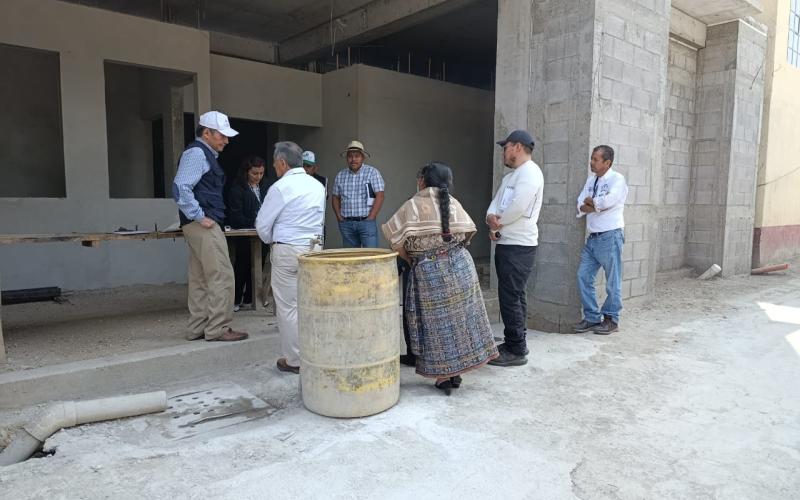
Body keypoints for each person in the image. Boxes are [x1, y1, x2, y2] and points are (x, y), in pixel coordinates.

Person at [382, 162, 498, 395]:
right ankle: (456, 372)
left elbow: (394, 240)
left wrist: (412, 258)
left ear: (423, 181)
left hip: (429, 271)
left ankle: (444, 375)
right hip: (461, 267)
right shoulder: (453, 203)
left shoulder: (413, 205)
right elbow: (468, 234)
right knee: (459, 323)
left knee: (435, 326)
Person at [172, 110, 249, 342]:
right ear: (206, 133)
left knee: (200, 278)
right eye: (222, 135)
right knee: (222, 275)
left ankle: (198, 327)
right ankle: (218, 328)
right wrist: (199, 215)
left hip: (196, 225)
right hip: (204, 225)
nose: (226, 140)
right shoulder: (197, 153)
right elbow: (180, 188)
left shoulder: (200, 153)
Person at [255, 141, 325, 374]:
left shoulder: (280, 187)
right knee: (310, 305)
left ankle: (295, 360)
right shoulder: (317, 186)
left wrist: (272, 240)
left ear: (283, 163)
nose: (275, 168)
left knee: (288, 307)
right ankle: (315, 353)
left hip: (287, 250)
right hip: (313, 249)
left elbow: (263, 227)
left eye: (275, 163)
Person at [485, 129, 543, 367]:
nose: (503, 152)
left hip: (519, 245)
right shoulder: (510, 177)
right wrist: (491, 217)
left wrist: (498, 222)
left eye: (506, 146)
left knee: (511, 297)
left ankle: (516, 349)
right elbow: (495, 202)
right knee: (512, 295)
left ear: (517, 147)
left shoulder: (531, 172)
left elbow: (518, 205)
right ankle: (515, 341)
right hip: (506, 242)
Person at [573, 145, 628, 335]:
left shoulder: (617, 179)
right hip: (593, 238)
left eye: (596, 159)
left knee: (612, 279)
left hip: (610, 236)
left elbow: (608, 201)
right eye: (591, 158)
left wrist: (593, 203)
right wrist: (590, 205)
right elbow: (580, 203)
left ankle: (611, 319)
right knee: (583, 276)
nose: (592, 162)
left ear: (607, 163)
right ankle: (592, 317)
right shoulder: (591, 180)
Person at [225, 155, 271, 311]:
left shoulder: (266, 187)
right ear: (246, 172)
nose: (258, 177)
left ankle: (250, 298)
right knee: (242, 266)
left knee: (258, 264)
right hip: (244, 233)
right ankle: (236, 299)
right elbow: (235, 215)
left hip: (262, 233)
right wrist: (255, 222)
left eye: (261, 173)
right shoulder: (237, 188)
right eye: (254, 173)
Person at [331, 140, 385, 248]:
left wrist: (371, 217)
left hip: (366, 222)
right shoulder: (340, 175)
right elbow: (335, 197)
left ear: (362, 158)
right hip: (347, 224)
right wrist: (339, 217)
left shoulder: (372, 172)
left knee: (370, 257)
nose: (353, 159)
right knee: (351, 259)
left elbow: (380, 195)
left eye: (357, 156)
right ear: (347, 158)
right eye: (350, 156)